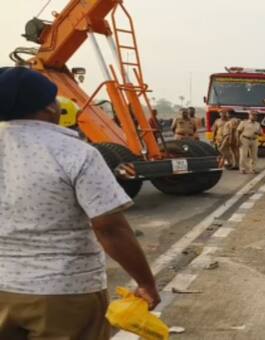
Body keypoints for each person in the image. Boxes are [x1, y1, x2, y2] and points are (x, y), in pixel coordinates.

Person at [0, 67, 159, 340]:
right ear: (51, 107)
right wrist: (146, 283)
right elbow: (110, 229)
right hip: (64, 291)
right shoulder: (76, 153)